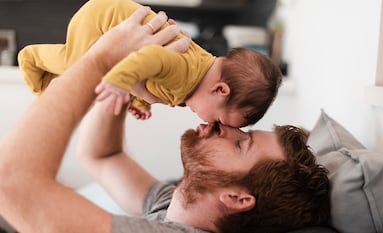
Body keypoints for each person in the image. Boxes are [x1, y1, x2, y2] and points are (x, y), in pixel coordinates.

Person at [0, 6, 330, 233]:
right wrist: (127, 82)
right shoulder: (171, 206)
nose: (224, 128)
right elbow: (102, 156)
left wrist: (102, 58)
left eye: (243, 141)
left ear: (236, 198)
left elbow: (9, 185)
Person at [18, 0, 282, 128]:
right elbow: (149, 58)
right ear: (220, 90)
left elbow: (150, 75)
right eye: (219, 121)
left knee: (83, 80)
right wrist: (118, 83)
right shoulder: (187, 73)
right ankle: (32, 57)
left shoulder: (197, 81)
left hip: (114, 17)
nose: (209, 125)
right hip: (104, 19)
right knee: (75, 64)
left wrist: (140, 100)